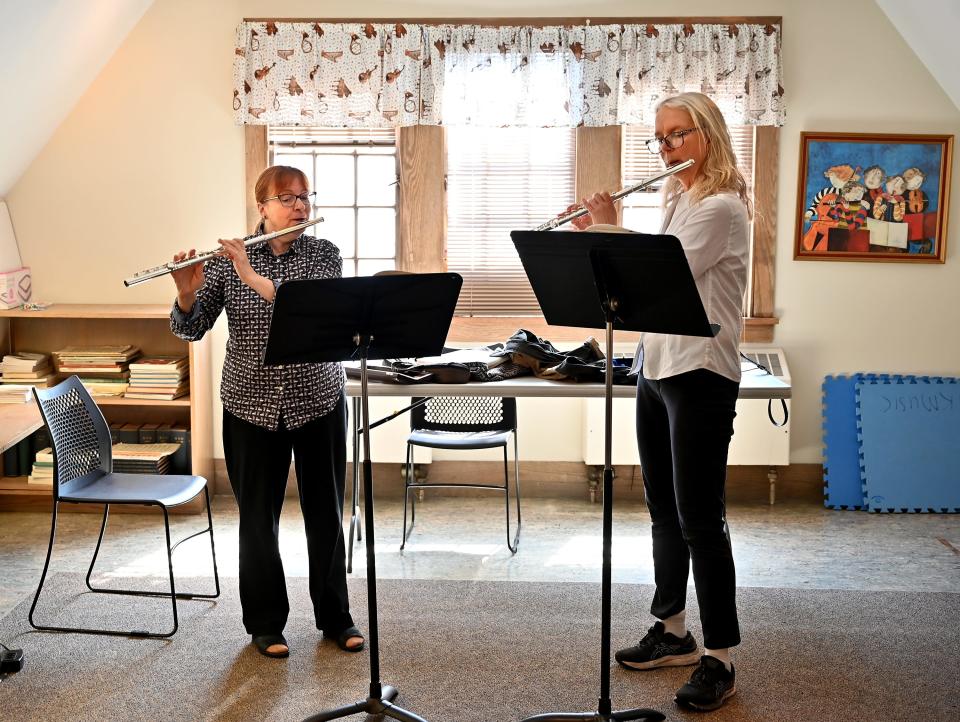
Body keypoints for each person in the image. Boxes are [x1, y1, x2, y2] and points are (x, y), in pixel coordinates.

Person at [570, 92, 750, 712]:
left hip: (702, 369)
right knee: (662, 507)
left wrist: (604, 228)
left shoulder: (723, 207)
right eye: (661, 138)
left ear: (707, 135)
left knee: (701, 515)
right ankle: (673, 631)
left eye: (678, 136)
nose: (668, 148)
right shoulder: (681, 196)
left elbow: (662, 272)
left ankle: (721, 658)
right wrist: (605, 232)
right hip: (658, 366)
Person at [169, 165, 363, 659]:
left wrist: (251, 276)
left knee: (325, 513)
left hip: (316, 398)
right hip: (250, 403)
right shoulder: (226, 260)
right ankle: (265, 624)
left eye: (305, 197)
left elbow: (311, 312)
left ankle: (335, 618)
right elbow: (192, 330)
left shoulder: (324, 254)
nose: (300, 206)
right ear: (262, 206)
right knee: (258, 518)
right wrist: (187, 294)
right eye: (287, 198)